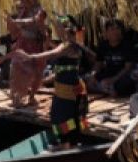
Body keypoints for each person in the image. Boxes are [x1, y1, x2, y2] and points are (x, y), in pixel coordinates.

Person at [12, 15, 89, 147]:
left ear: (66, 30)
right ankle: (71, 141)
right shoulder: (74, 44)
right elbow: (57, 55)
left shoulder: (68, 46)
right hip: (67, 88)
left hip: (69, 89)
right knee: (68, 117)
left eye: (59, 28)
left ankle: (68, 143)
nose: (57, 30)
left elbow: (51, 54)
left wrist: (30, 56)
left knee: (62, 118)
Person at [6, 0, 49, 107]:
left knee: (38, 72)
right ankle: (17, 97)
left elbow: (34, 20)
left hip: (36, 45)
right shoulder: (23, 9)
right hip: (23, 43)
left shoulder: (40, 10)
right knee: (18, 70)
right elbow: (17, 27)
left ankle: (31, 96)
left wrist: (17, 22)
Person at [86, 19, 138, 97]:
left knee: (125, 84)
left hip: (122, 75)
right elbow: (98, 64)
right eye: (112, 29)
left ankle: (109, 89)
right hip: (109, 72)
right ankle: (107, 89)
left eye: (117, 29)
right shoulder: (103, 45)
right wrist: (93, 75)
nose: (115, 32)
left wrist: (113, 80)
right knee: (86, 82)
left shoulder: (127, 46)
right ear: (106, 33)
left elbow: (127, 68)